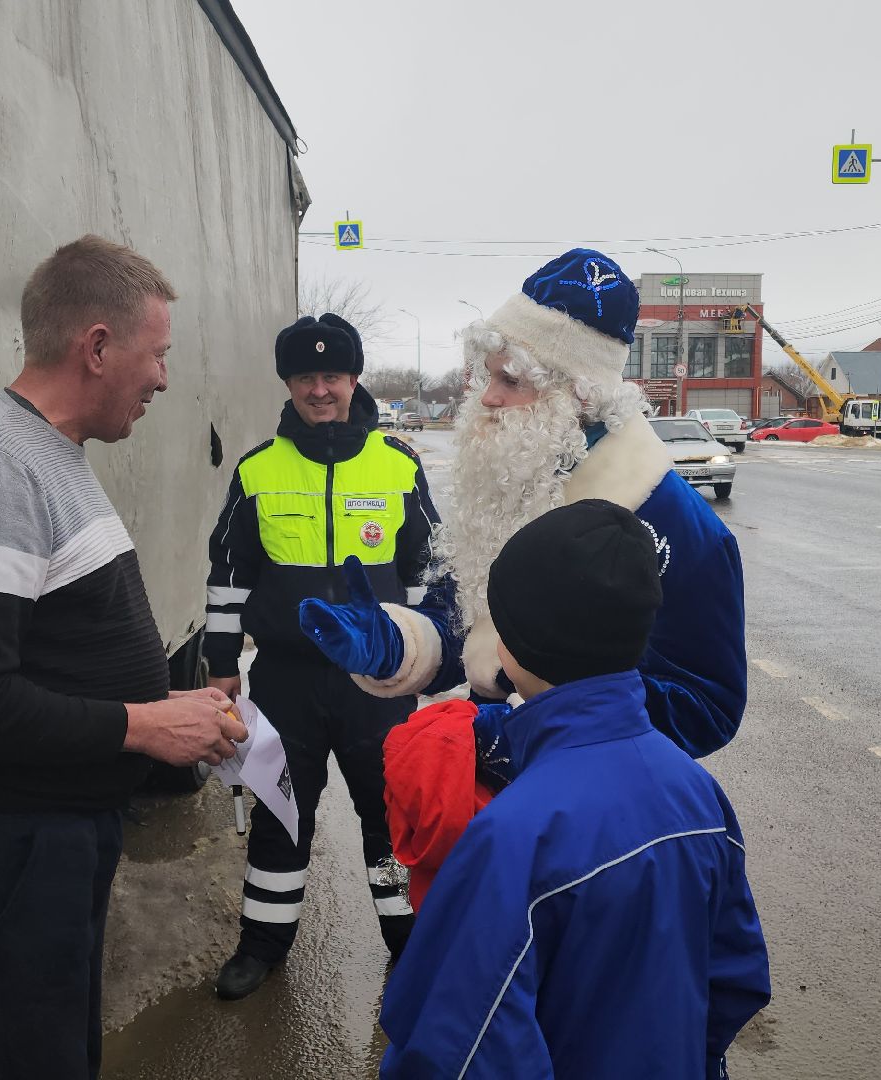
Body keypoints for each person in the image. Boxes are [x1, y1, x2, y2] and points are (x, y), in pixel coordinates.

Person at [0, 235, 248, 1080]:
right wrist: (144, 725)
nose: (164, 377)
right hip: (1, 848)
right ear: (96, 347)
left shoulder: (46, 453)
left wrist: (166, 709)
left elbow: (54, 641)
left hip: (41, 837)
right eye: (156, 354)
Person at [301, 246, 746, 763]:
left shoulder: (676, 526)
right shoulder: (517, 479)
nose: (487, 397)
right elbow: (466, 626)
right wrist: (394, 645)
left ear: (578, 395)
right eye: (488, 376)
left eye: (509, 380)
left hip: (595, 810)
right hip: (498, 788)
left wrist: (535, 715)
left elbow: (706, 707)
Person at [379, 500, 771, 1078]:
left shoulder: (510, 836)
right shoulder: (700, 795)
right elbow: (735, 976)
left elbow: (455, 1049)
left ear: (508, 646)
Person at [202, 313, 440, 1000]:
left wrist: (427, 656)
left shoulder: (398, 464)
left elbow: (427, 570)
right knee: (281, 814)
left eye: (332, 375)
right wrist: (221, 668)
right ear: (288, 383)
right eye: (305, 377)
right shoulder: (258, 470)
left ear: (354, 377)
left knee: (393, 817)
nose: (320, 389)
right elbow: (227, 579)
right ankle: (262, 944)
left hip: (379, 683)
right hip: (285, 681)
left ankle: (411, 945)